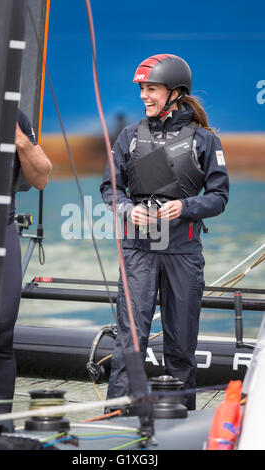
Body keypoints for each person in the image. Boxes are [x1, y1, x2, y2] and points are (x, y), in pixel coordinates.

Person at [100, 54, 229, 410]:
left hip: (183, 255)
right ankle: (116, 414)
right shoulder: (128, 136)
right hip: (138, 253)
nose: (144, 95)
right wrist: (128, 209)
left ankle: (180, 417)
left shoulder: (205, 141)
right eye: (142, 89)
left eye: (151, 89)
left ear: (174, 92)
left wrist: (185, 207)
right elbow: (110, 188)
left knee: (181, 344)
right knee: (131, 341)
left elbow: (219, 197)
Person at [0, 108, 52, 418]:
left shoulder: (13, 114)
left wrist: (20, 140)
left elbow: (41, 177)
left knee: (1, 333)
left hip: (0, 228)